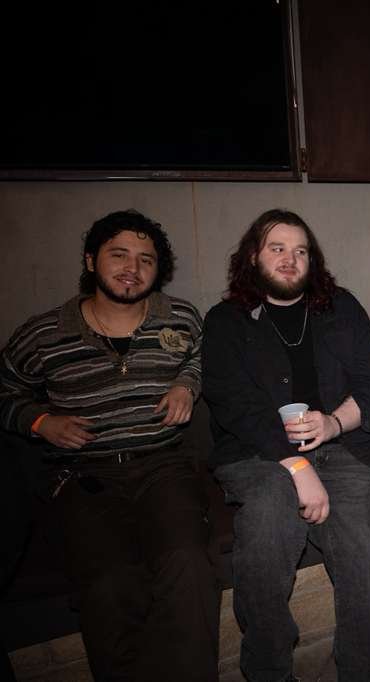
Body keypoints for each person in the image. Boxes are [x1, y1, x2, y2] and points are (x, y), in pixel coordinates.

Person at [0, 210, 218, 681]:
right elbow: (5, 390)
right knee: (109, 581)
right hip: (83, 476)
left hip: (164, 465)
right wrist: (38, 420)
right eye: (119, 255)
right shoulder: (43, 333)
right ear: (90, 259)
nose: (132, 268)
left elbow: (200, 356)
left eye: (146, 259)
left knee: (190, 568)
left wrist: (186, 383)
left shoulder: (179, 317)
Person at [203, 209, 370, 681]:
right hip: (258, 456)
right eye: (277, 248)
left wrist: (333, 424)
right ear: (253, 256)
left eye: (300, 251)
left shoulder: (341, 308)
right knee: (268, 523)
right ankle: (269, 669)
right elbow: (235, 406)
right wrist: (297, 466)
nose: (290, 259)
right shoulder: (226, 321)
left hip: (346, 451)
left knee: (366, 552)